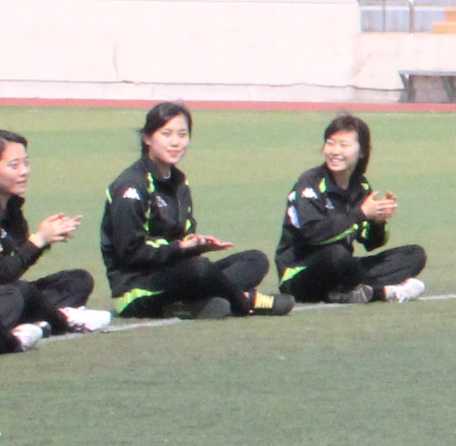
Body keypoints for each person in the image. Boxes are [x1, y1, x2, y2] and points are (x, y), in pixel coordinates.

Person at [103, 103, 281, 320]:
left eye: (182, 134)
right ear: (147, 138)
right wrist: (180, 247)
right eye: (166, 134)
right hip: (137, 287)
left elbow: (182, 236)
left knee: (255, 260)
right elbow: (131, 252)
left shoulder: (179, 181)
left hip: (176, 275)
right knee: (200, 270)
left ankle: (192, 303)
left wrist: (196, 244)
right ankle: (245, 302)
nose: (176, 142)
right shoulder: (131, 186)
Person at [0, 130, 108, 355]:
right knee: (17, 294)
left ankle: (39, 320)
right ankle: (60, 320)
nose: (24, 171)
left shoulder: (12, 208)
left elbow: (15, 265)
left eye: (26, 163)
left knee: (78, 280)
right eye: (14, 165)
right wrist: (38, 240)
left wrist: (43, 241)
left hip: (6, 293)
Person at [277, 115, 430, 305]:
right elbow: (313, 234)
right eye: (330, 143)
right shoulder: (310, 181)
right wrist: (361, 214)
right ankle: (381, 291)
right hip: (301, 274)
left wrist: (377, 221)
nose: (335, 151)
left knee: (414, 254)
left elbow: (371, 243)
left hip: (343, 269)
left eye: (344, 145)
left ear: (362, 151)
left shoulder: (360, 186)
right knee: (337, 255)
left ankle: (351, 291)